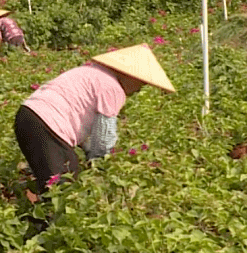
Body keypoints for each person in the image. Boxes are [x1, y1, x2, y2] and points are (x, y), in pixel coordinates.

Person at [14, 44, 175, 191]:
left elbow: (73, 114)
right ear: (130, 76)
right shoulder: (112, 88)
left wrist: (88, 149)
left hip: (27, 116)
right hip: (47, 124)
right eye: (141, 84)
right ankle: (43, 219)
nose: (139, 90)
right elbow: (104, 136)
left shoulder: (89, 72)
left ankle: (31, 205)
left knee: (65, 170)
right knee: (63, 189)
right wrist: (100, 164)